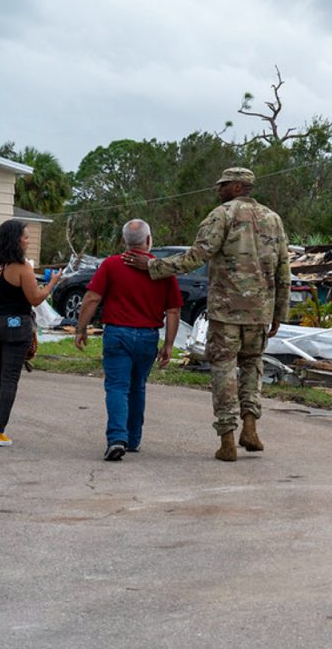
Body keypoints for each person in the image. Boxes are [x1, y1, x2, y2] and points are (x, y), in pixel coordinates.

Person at [123, 168, 289, 462]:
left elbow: (196, 257)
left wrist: (152, 267)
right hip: (260, 311)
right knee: (252, 366)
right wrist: (279, 312)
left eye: (222, 185)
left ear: (237, 186)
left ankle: (227, 438)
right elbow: (283, 269)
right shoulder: (273, 219)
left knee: (224, 369)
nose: (218, 190)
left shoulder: (221, 215)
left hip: (226, 311)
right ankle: (250, 427)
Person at [75, 219, 182, 461]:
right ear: (148, 240)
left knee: (116, 387)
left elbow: (92, 298)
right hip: (147, 336)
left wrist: (81, 328)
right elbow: (173, 311)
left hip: (117, 334)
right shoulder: (161, 270)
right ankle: (133, 439)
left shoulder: (111, 265)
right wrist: (168, 344)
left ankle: (116, 439)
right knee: (137, 387)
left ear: (124, 241)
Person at [0, 219, 61, 447]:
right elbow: (35, 298)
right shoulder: (23, 267)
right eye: (25, 236)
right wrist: (52, 283)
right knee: (9, 378)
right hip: (15, 326)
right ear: (15, 239)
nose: (28, 239)